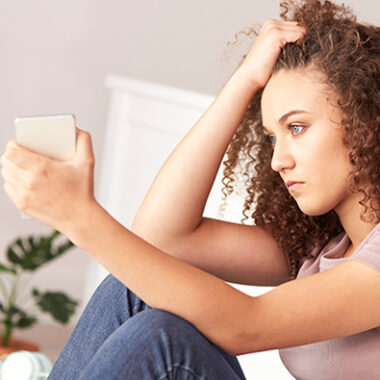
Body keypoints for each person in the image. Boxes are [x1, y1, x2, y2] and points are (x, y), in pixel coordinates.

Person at [1, 0, 379, 378]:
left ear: (367, 121)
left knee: (164, 340)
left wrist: (78, 218)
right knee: (134, 288)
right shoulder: (326, 249)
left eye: (296, 127)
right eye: (270, 138)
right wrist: (245, 79)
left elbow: (248, 324)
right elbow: (164, 239)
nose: (278, 161)